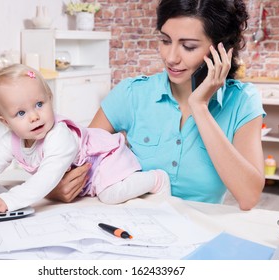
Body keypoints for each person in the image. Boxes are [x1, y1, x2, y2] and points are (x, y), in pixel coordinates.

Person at [49, 0, 266, 210]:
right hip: (131, 226)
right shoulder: (132, 93)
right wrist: (54, 188)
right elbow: (78, 162)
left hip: (200, 231)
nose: (171, 57)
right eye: (165, 40)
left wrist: (199, 106)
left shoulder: (242, 102)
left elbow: (248, 198)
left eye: (188, 46)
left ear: (222, 50)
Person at [0, 64, 169, 212]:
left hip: (105, 159)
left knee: (109, 195)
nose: (34, 116)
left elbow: (47, 177)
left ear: (50, 99)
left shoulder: (58, 136)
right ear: (5, 121)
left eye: (40, 104)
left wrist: (9, 200)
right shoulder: (10, 141)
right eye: (21, 113)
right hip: (82, 175)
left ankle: (156, 179)